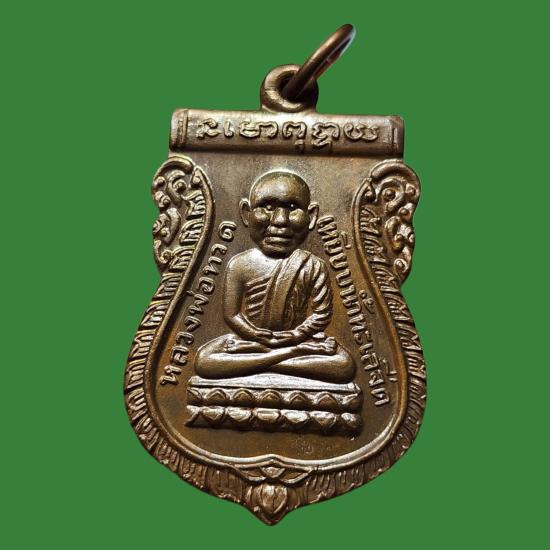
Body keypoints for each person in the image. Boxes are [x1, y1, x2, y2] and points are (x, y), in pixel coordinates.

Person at [194, 171, 355, 383]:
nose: (280, 221)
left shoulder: (314, 265)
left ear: (311, 216)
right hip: (252, 342)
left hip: (296, 341)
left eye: (292, 208)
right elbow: (232, 315)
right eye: (268, 207)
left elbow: (321, 314)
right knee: (204, 360)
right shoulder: (239, 264)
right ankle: (286, 357)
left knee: (344, 365)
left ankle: (267, 360)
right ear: (246, 214)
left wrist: (296, 336)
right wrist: (255, 335)